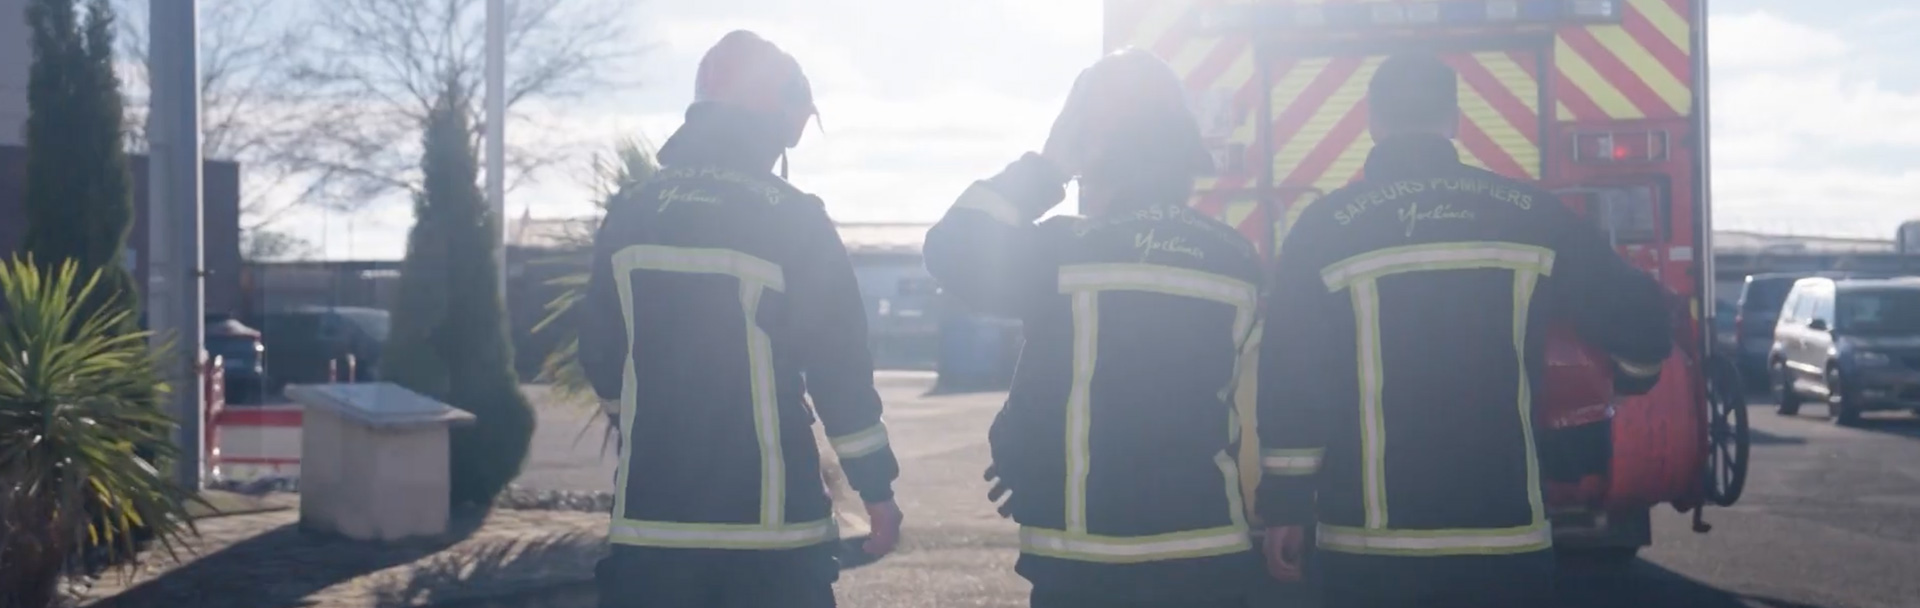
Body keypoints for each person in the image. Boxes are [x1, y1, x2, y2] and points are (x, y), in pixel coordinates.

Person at [1254, 53, 1673, 607]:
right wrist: (1633, 376)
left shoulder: (1324, 228)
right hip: (1507, 545)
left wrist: (1285, 505)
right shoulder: (1532, 214)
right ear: (1454, 121)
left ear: (1372, 123)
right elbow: (1643, 318)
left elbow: (1291, 376)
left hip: (1369, 551)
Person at [924, 49, 1266, 608]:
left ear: (1092, 149)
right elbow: (1259, 408)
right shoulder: (1238, 260)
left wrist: (1048, 166)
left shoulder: (1060, 252)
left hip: (1082, 562)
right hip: (1207, 550)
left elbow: (950, 248)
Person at [577, 30, 903, 608]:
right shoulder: (794, 219)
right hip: (772, 539)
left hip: (651, 533)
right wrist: (876, 490)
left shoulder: (630, 212)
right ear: (780, 117)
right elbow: (839, 369)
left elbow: (601, 353)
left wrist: (648, 428)